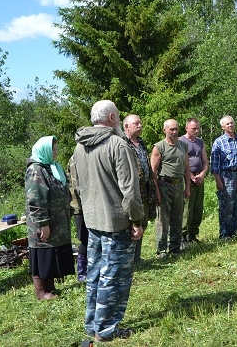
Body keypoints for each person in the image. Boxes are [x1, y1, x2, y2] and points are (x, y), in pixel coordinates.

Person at [72, 100, 144, 342]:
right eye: (118, 116)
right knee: (114, 277)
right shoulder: (117, 145)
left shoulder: (80, 146)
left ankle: (92, 323)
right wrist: (137, 220)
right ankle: (105, 329)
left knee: (94, 274)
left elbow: (78, 185)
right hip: (116, 223)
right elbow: (130, 191)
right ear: (112, 118)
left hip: (93, 221)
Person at [25, 135, 75, 300]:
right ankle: (41, 292)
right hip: (43, 223)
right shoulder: (36, 170)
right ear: (44, 150)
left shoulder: (51, 168)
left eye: (55, 149)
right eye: (52, 149)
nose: (56, 152)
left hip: (56, 222)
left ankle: (50, 287)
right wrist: (43, 224)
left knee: (51, 254)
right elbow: (36, 200)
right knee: (42, 254)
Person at [151, 119, 191, 259]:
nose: (174, 132)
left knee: (177, 217)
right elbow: (153, 171)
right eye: (171, 129)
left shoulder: (183, 146)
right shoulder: (159, 147)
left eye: (176, 129)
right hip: (164, 185)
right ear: (165, 130)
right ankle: (161, 250)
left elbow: (186, 168)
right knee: (163, 219)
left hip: (179, 184)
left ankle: (175, 248)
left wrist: (187, 187)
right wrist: (156, 190)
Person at [121, 114, 156, 264]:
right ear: (126, 126)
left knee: (143, 222)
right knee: (131, 224)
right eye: (136, 123)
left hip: (145, 190)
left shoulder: (141, 143)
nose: (140, 125)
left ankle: (136, 257)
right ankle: (129, 259)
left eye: (140, 123)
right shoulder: (122, 143)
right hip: (131, 192)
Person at [210, 115, 237, 240]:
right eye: (227, 124)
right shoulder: (219, 142)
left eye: (232, 123)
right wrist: (218, 181)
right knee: (227, 206)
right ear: (222, 127)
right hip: (226, 176)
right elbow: (214, 165)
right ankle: (224, 234)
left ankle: (234, 232)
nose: (230, 125)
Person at [179, 118, 209, 244]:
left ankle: (193, 234)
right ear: (186, 128)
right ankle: (183, 236)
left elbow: (205, 161)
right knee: (187, 208)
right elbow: (181, 163)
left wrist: (202, 175)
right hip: (187, 180)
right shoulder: (181, 141)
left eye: (198, 128)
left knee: (198, 207)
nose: (196, 131)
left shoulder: (200, 142)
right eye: (193, 129)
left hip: (199, 179)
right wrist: (191, 177)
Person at [67, 155, 88, 282]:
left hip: (90, 206)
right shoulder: (76, 158)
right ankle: (82, 272)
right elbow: (75, 186)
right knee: (85, 240)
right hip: (79, 207)